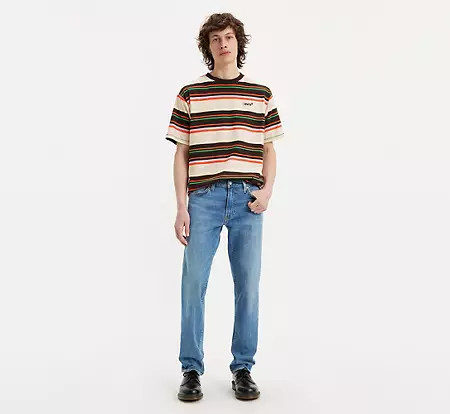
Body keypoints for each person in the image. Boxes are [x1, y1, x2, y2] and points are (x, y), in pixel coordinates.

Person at [165, 12, 284, 401]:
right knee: (193, 284)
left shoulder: (261, 93)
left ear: (238, 42)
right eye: (215, 38)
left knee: (248, 285)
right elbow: (181, 153)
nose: (223, 44)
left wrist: (267, 192)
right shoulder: (190, 94)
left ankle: (243, 368)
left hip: (248, 200)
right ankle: (190, 369)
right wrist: (181, 206)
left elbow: (269, 148)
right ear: (208, 46)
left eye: (229, 37)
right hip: (204, 199)